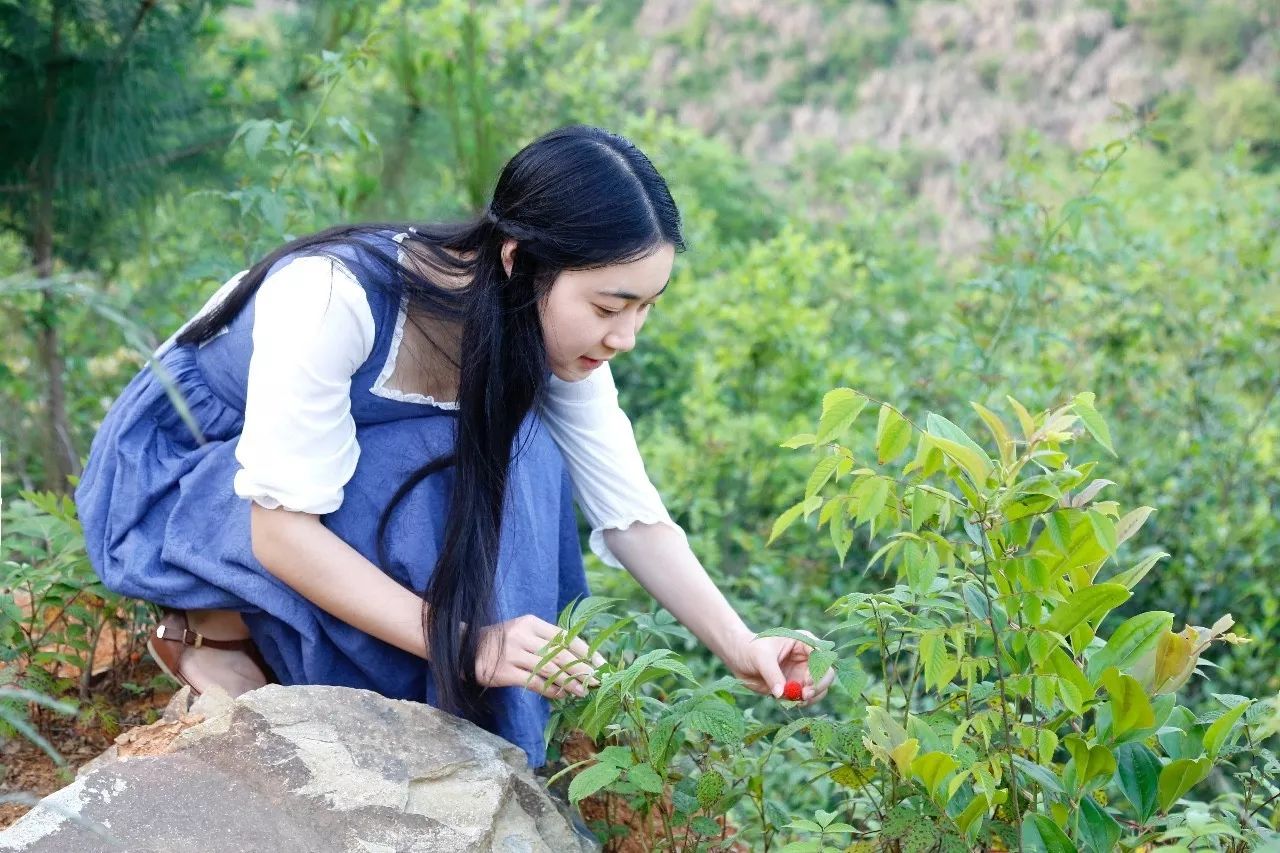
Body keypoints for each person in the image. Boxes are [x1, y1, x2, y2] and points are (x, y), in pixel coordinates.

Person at [74, 125, 834, 768]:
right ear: (516, 260)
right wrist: (466, 641)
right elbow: (279, 528)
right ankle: (214, 629)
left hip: (325, 485)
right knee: (449, 460)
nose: (625, 336)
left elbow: (631, 514)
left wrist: (739, 644)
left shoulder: (548, 339)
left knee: (521, 448)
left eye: (645, 308)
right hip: (188, 484)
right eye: (609, 305)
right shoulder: (332, 297)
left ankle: (452, 720)